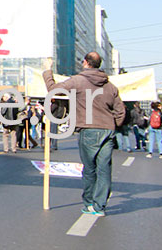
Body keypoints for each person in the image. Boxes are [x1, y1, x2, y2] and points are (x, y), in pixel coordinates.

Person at [43, 52, 126, 217]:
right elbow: (120, 111)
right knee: (104, 169)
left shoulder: (78, 81)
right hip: (107, 129)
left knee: (89, 169)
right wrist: (113, 124)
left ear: (86, 62)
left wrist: (47, 71)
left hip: (88, 129)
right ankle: (100, 205)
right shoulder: (110, 86)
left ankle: (89, 203)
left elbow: (53, 90)